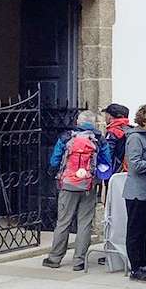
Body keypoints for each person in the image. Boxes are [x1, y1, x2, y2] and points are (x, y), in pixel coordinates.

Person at [42, 110, 100, 271]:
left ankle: (55, 258)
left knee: (63, 222)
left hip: (68, 184)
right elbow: (105, 163)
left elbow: (55, 159)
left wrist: (54, 172)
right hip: (88, 185)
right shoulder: (98, 139)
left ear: (78, 122)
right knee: (85, 223)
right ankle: (79, 261)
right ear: (93, 123)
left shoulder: (66, 137)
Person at [123, 104, 146, 282]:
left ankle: (144, 262)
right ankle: (136, 267)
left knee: (144, 229)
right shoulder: (135, 139)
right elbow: (135, 164)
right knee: (135, 231)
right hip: (136, 192)